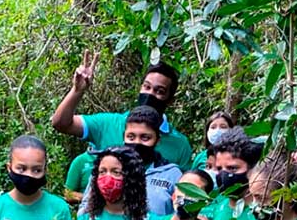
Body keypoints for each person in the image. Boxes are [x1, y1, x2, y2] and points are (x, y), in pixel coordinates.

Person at [51, 50, 193, 169]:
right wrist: (77, 91)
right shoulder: (108, 123)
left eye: (159, 91)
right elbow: (61, 123)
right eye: (147, 87)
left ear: (170, 100)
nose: (150, 94)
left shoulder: (180, 145)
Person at [78, 106, 182, 217]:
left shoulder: (172, 174)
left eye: (145, 138)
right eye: (131, 137)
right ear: (124, 137)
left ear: (157, 140)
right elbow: (85, 210)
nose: (137, 142)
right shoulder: (108, 169)